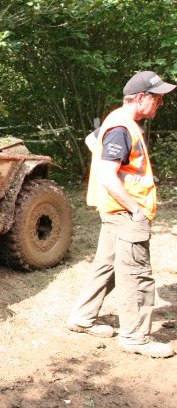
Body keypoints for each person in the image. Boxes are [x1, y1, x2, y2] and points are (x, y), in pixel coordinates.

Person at [67, 70, 176, 358]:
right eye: (157, 98)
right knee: (137, 274)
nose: (161, 103)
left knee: (107, 266)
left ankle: (82, 317)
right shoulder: (122, 127)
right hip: (126, 213)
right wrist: (135, 208)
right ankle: (136, 338)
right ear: (140, 98)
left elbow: (93, 142)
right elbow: (107, 174)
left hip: (114, 210)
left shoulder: (117, 121)